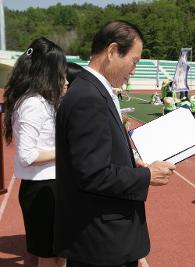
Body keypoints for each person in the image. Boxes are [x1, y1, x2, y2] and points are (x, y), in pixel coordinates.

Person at [54, 20, 176, 267]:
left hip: (102, 237)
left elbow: (95, 159)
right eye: (134, 61)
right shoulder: (89, 97)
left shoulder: (92, 90)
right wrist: (146, 176)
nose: (134, 70)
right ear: (111, 52)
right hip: (101, 242)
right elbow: (92, 173)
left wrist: (133, 162)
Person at [3, 37, 68, 267]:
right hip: (42, 191)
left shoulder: (42, 101)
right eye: (61, 72)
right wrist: (66, 151)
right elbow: (27, 156)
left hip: (50, 186)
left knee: (59, 255)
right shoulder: (32, 104)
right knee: (48, 259)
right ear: (46, 71)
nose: (65, 79)